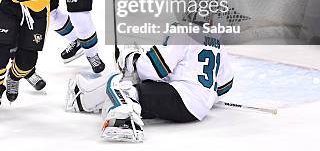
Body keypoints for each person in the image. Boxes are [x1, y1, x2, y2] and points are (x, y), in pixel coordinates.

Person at [66, 33, 234, 142]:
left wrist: (131, 59)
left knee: (121, 85)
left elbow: (153, 69)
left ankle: (119, 118)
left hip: (181, 98)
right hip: (198, 108)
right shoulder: (219, 44)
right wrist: (206, 96)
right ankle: (83, 94)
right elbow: (225, 86)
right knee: (137, 91)